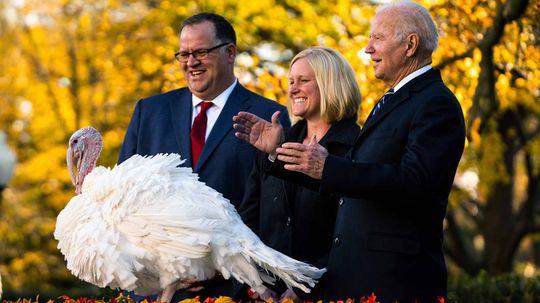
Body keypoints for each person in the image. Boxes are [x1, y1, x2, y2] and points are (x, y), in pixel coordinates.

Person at [234, 2, 466, 302]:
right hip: (357, 281)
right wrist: (277, 155)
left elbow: (416, 181)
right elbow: (353, 183)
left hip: (395, 281)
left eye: (377, 38)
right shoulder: (394, 101)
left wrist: (327, 167)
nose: (367, 49)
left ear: (410, 44)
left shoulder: (436, 103)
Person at [118, 12, 290, 301]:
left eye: (200, 52)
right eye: (183, 54)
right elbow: (123, 202)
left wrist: (219, 267)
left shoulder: (268, 117)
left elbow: (274, 210)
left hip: (234, 288)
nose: (190, 62)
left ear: (230, 52)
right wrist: (154, 275)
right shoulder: (149, 112)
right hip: (157, 290)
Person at [236, 46, 361, 302]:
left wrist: (308, 285)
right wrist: (256, 282)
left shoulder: (357, 147)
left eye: (303, 81)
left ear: (330, 84)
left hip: (328, 292)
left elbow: (354, 232)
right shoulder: (276, 142)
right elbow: (248, 220)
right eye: (291, 81)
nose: (293, 89)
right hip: (268, 294)